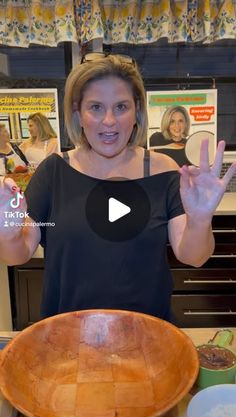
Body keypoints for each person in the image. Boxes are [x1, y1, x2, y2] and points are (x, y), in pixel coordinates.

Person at [0, 53, 235, 322]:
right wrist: (6, 233)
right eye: (96, 107)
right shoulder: (54, 172)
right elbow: (17, 254)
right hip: (68, 339)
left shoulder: (164, 169)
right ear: (78, 113)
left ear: (137, 111)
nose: (109, 120)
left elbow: (194, 256)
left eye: (121, 107)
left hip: (148, 339)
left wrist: (201, 220)